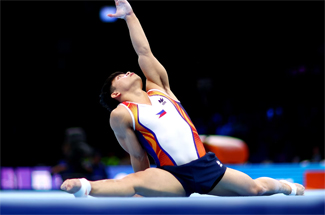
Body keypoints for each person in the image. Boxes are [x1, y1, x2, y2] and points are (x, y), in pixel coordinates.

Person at [61, 0, 304, 197]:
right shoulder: (122, 113)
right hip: (171, 175)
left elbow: (144, 51)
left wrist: (130, 15)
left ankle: (285, 187)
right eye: (121, 76)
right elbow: (137, 155)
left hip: (205, 166)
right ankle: (86, 187)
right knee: (132, 183)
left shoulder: (160, 90)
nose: (128, 71)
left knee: (255, 189)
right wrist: (143, 190)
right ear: (116, 94)